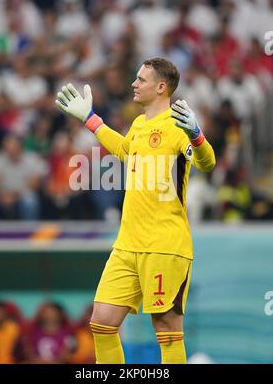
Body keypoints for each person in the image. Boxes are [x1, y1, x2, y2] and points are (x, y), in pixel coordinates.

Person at [55, 57, 216, 364]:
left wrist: (197, 134)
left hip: (164, 245)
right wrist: (91, 119)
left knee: (166, 328)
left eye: (141, 79)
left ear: (160, 87)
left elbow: (206, 162)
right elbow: (126, 151)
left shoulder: (178, 126)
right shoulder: (140, 124)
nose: (134, 84)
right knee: (101, 322)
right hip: (128, 244)